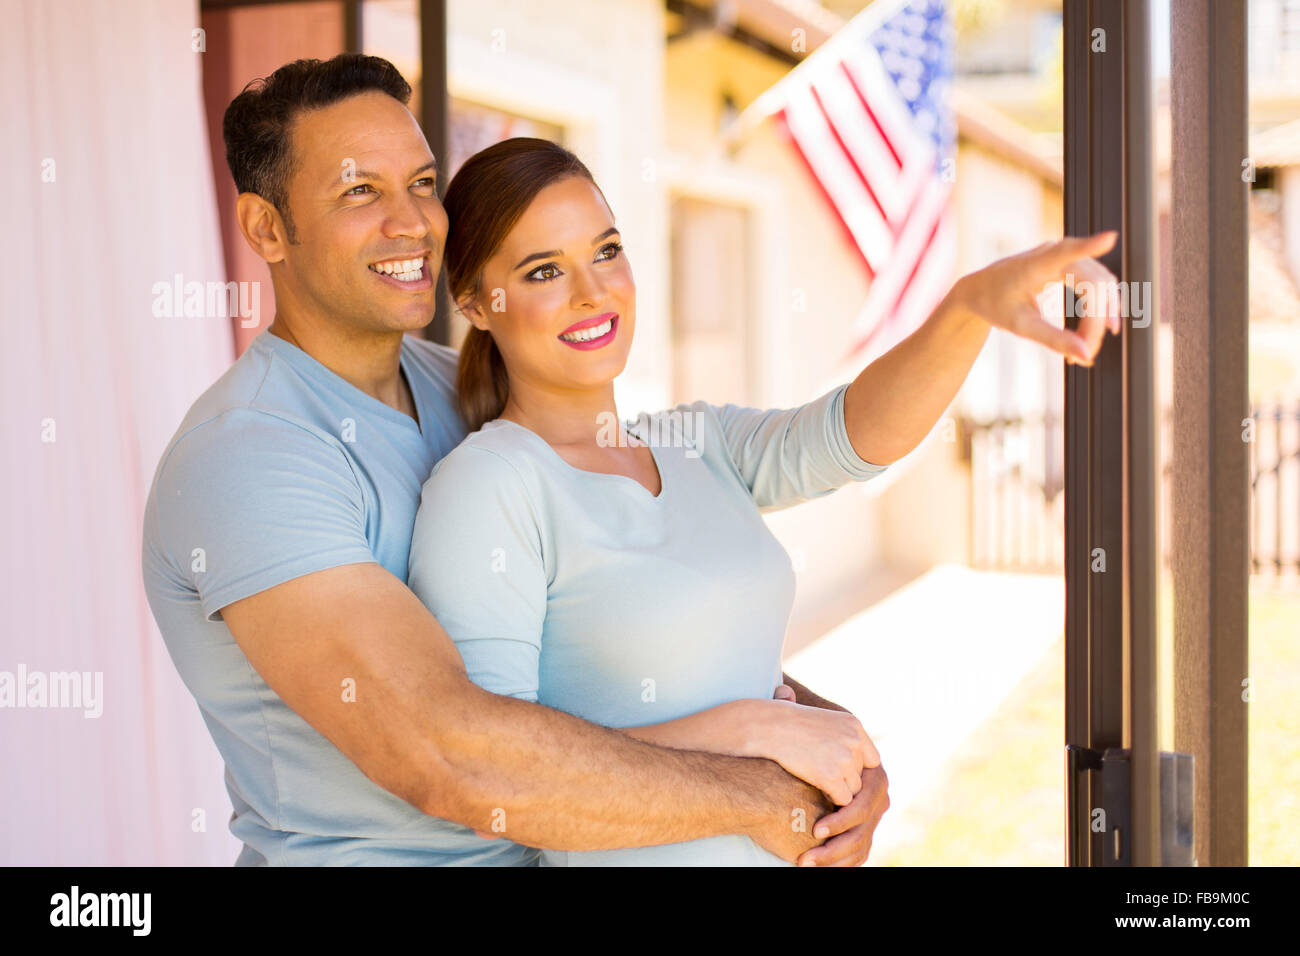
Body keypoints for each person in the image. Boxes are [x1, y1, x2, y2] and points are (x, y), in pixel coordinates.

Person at [141, 53, 890, 866]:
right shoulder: (250, 459)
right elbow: (451, 758)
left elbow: (625, 606)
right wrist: (766, 789)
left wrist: (826, 744)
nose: (413, 222)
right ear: (265, 229)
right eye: (361, 191)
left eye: (423, 184)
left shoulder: (461, 394)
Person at [404, 139, 1121, 866]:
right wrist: (751, 731)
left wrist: (972, 306)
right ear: (473, 303)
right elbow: (494, 772)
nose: (593, 291)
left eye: (608, 250)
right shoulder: (490, 488)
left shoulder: (698, 441)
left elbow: (853, 435)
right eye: (544, 271)